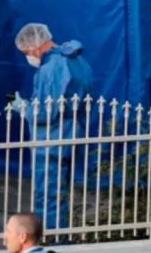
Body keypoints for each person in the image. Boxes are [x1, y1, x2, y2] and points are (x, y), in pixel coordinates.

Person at [13, 24, 93, 231]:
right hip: (73, 131)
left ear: (32, 43)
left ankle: (52, 239)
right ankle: (62, 234)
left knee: (47, 194)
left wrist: (21, 106)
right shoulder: (77, 60)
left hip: (51, 138)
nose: (27, 56)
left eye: (25, 52)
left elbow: (44, 112)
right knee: (62, 191)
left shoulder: (51, 68)